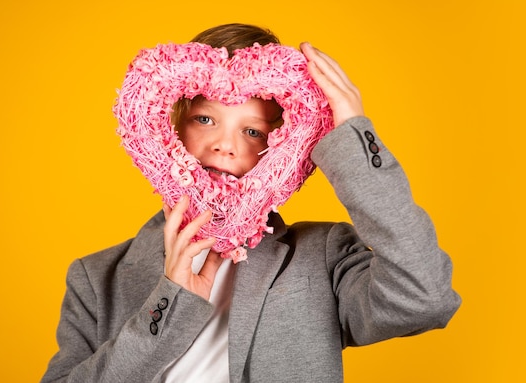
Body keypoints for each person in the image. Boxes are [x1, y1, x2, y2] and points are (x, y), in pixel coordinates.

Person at [40, 23, 461, 382]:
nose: (226, 146)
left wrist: (354, 137)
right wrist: (169, 302)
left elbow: (425, 300)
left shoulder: (323, 256)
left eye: (254, 131)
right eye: (205, 119)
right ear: (172, 127)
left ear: (281, 146)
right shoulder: (96, 278)